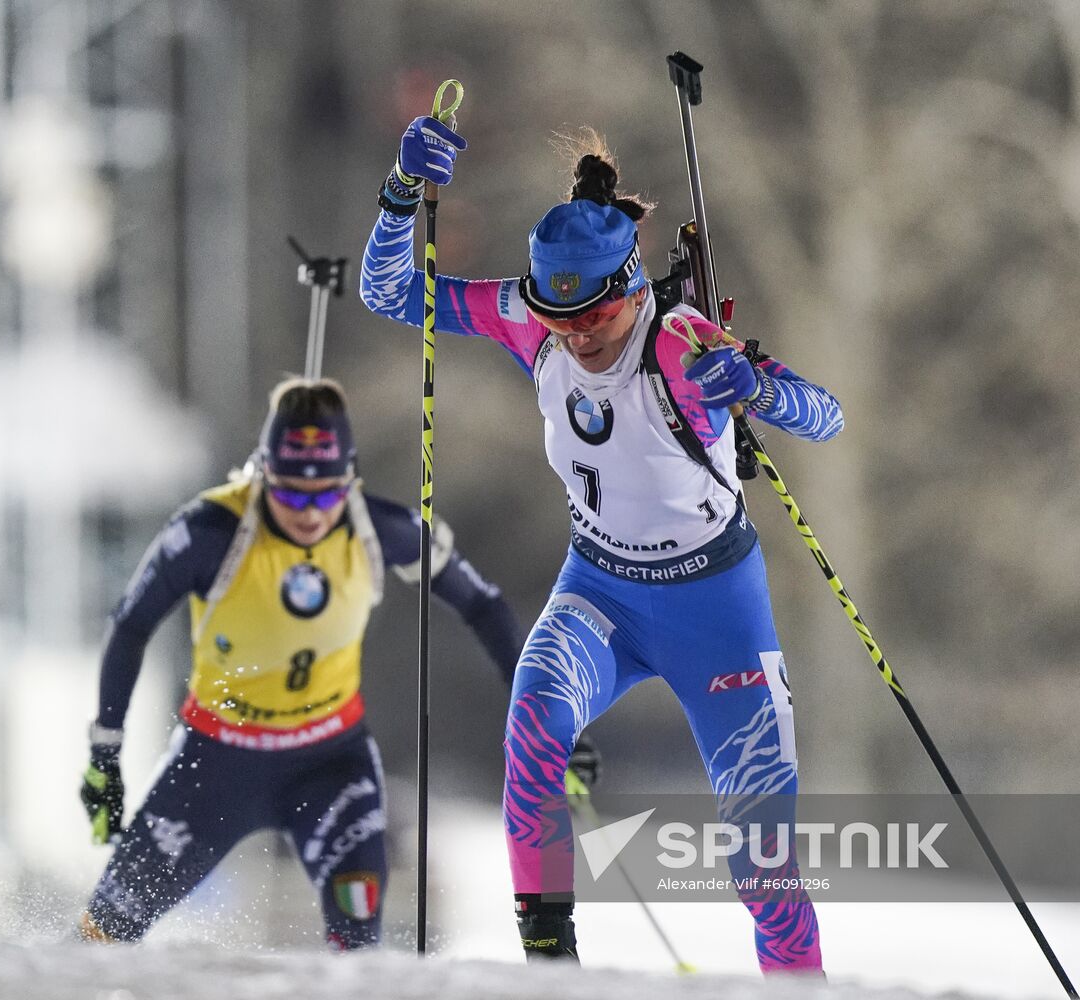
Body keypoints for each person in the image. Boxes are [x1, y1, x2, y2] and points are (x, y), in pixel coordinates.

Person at [359, 118, 843, 975]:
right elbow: (392, 294)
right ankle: (551, 965)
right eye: (558, 314)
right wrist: (402, 196)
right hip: (600, 594)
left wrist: (756, 387)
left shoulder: (682, 342)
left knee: (762, 864)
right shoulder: (529, 320)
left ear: (630, 286)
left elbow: (825, 417)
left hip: (715, 610)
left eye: (593, 313)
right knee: (534, 726)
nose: (575, 334)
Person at [75, 376, 542, 950]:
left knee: (358, 946)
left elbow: (483, 603)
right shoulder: (211, 531)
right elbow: (130, 625)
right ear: (263, 473)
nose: (311, 514)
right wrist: (105, 748)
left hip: (329, 765)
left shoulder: (378, 529)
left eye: (326, 495)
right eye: (293, 494)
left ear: (349, 480)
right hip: (216, 761)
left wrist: (540, 712)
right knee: (103, 936)